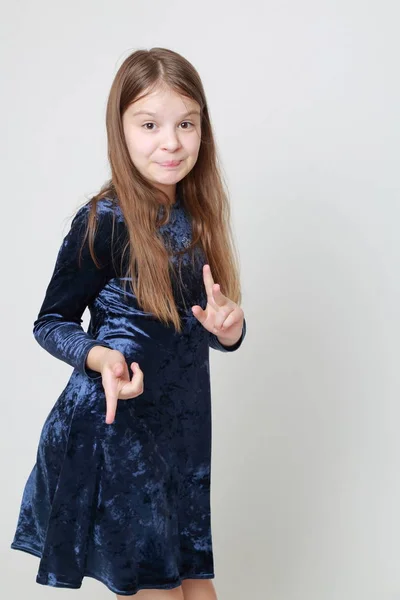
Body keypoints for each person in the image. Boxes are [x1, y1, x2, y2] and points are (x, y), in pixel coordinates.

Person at [10, 47, 247, 599]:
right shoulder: (105, 219)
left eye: (186, 124)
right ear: (121, 131)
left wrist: (229, 330)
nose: (171, 141)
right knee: (157, 591)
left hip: (183, 438)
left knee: (197, 588)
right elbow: (52, 321)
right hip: (120, 430)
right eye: (149, 124)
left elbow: (199, 328)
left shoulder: (197, 216)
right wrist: (101, 356)